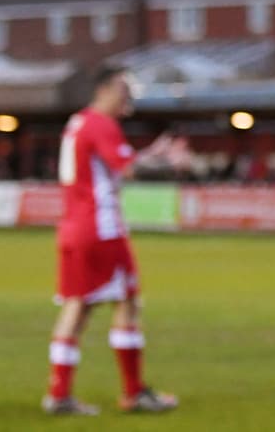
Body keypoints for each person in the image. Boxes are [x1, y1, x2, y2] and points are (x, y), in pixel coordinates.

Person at [44, 65, 185, 416]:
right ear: (104, 89)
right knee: (127, 302)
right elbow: (130, 170)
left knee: (77, 306)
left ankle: (59, 394)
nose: (128, 97)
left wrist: (152, 153)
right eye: (123, 89)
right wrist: (170, 163)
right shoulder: (101, 124)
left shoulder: (78, 123)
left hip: (74, 227)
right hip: (101, 228)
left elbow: (113, 164)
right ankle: (134, 392)